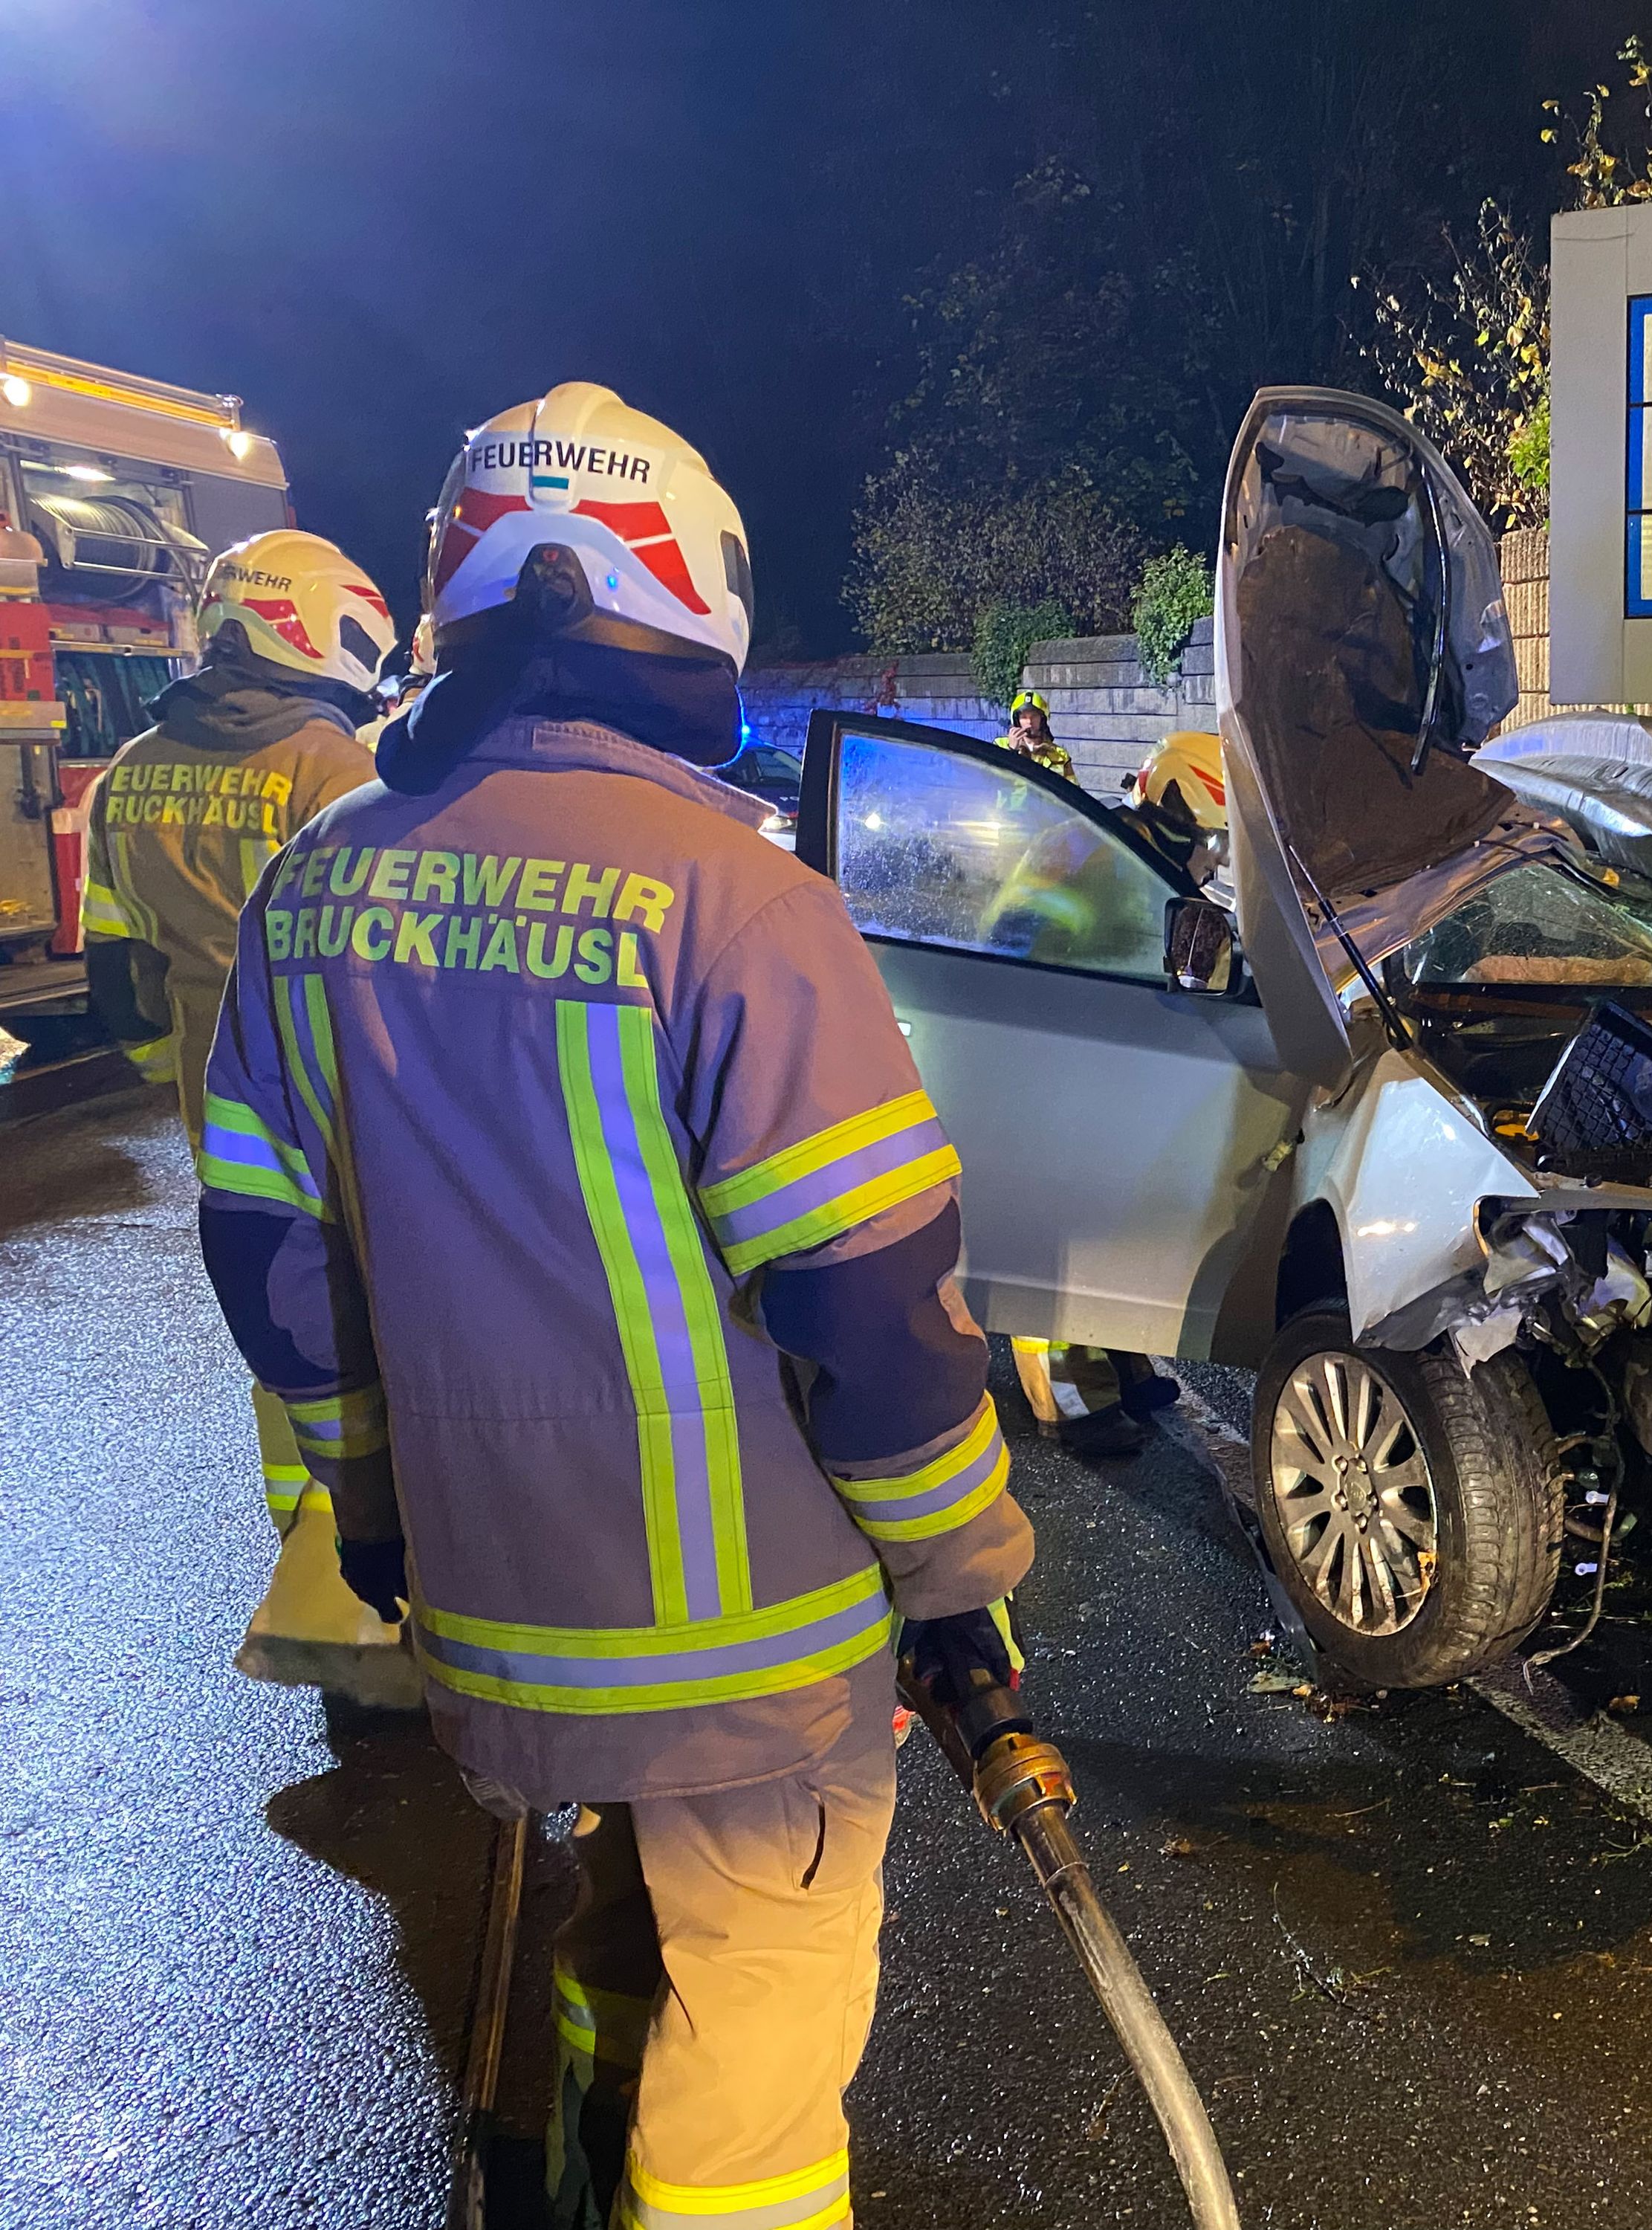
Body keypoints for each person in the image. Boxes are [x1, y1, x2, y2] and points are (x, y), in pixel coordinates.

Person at [192, 382, 1031, 2230]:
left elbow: (272, 1267)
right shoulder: (740, 901)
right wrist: (956, 1577)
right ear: (687, 601)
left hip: (495, 1622)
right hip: (758, 1655)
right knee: (759, 2055)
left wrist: (383, 1512)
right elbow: (871, 1310)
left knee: (611, 1933)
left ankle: (588, 2156)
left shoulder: (315, 887)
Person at [80, 530, 418, 1699]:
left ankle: (312, 1557)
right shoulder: (336, 767)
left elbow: (115, 975)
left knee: (280, 1324)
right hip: (342, 1096)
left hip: (218, 1106)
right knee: (382, 1315)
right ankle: (403, 1564)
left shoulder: (126, 771)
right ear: (317, 624)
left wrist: (179, 1076)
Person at [995, 731, 1227, 1455]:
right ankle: (1073, 1405)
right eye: (1214, 842)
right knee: (1055, 1240)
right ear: (1181, 808)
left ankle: (1122, 1367)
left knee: (1106, 1228)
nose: (1214, 859)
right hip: (1040, 1061)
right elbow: (1034, 949)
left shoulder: (1134, 854)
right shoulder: (1097, 856)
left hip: (1087, 1063)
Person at [1002, 687, 1073, 780]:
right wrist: (1012, 751)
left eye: (1034, 716)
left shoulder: (1060, 756)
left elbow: (1072, 790)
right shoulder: (1000, 746)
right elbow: (995, 782)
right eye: (1024, 717)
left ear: (1043, 720)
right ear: (1017, 721)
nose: (1029, 722)